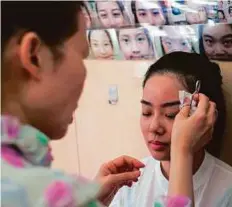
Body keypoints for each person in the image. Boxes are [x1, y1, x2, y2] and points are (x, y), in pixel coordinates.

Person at [0, 1, 228, 207]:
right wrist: (182, 152)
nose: (154, 127)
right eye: (82, 55)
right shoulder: (35, 191)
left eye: (171, 115)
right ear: (33, 56)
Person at [110, 52, 232, 207]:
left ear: (205, 116)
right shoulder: (131, 180)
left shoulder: (227, 189)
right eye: (146, 112)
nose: (154, 127)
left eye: (171, 115)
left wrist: (182, 150)